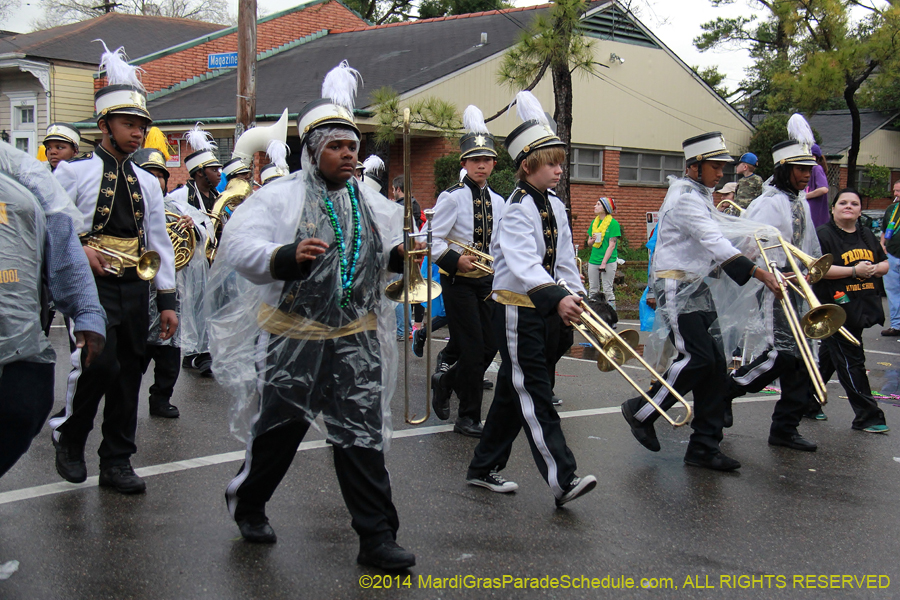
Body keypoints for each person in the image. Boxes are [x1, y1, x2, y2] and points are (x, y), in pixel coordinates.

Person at [209, 61, 415, 570]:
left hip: (356, 338)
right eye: (337, 146)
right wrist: (283, 256)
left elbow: (386, 249)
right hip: (293, 338)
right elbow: (238, 246)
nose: (349, 154)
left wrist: (401, 256)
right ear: (312, 151)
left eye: (353, 146)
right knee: (280, 433)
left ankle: (376, 537)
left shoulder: (369, 198)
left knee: (361, 438)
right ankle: (249, 499)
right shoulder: (279, 196)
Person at [48, 42, 178, 494]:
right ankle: (70, 435)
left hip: (133, 284)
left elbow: (158, 240)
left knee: (129, 372)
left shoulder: (148, 182)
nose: (137, 132)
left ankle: (117, 460)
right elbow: (54, 224)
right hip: (87, 284)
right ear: (104, 126)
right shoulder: (72, 172)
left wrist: (167, 300)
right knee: (98, 364)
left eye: (142, 125)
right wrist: (80, 246)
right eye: (128, 124)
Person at [620, 131, 781, 472]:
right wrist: (758, 272)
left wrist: (752, 252)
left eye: (724, 166)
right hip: (677, 285)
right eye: (715, 166)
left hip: (695, 285)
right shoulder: (686, 197)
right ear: (694, 167)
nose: (721, 172)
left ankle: (705, 446)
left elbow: (714, 243)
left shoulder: (699, 193)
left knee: (715, 365)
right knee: (697, 356)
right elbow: (713, 241)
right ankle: (642, 411)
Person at [465, 91, 596, 507]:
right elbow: (523, 263)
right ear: (527, 165)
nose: (560, 169)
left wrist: (576, 294)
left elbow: (564, 259)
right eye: (552, 163)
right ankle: (563, 479)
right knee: (536, 393)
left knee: (511, 392)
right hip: (517, 312)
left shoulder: (554, 204)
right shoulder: (518, 207)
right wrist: (556, 297)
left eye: (561, 162)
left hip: (543, 308)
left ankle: (482, 467)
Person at [0, 141, 106, 478]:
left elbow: (64, 246)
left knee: (23, 411)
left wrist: (87, 312)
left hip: (19, 343)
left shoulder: (23, 173)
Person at [722, 115, 823, 453]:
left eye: (809, 169)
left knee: (801, 358)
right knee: (783, 354)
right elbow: (751, 246)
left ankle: (785, 428)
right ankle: (730, 387)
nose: (806, 175)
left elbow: (807, 246)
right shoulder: (768, 202)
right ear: (783, 169)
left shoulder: (800, 202)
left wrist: (807, 273)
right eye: (800, 169)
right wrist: (778, 271)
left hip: (798, 288)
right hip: (776, 287)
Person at [429, 105, 505, 436]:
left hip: (487, 284)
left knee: (489, 347)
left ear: (494, 163)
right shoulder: (452, 198)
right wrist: (454, 259)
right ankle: (468, 417)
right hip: (458, 282)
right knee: (473, 350)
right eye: (475, 160)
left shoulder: (501, 201)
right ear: (464, 163)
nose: (481, 165)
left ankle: (445, 380)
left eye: (486, 160)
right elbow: (431, 242)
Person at [133, 147, 211, 417]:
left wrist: (192, 227)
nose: (156, 181)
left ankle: (161, 398)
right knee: (136, 355)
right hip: (138, 295)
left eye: (160, 176)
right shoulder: (128, 206)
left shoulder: (177, 208)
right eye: (149, 175)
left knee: (169, 355)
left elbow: (204, 236)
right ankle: (127, 400)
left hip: (170, 294)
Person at [809, 189, 889, 433]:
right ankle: (868, 415)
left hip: (860, 305)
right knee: (852, 359)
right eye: (842, 202)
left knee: (832, 357)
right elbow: (816, 270)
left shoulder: (865, 234)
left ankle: (805, 401)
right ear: (833, 208)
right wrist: (854, 271)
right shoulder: (823, 234)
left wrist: (872, 269)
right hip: (834, 308)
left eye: (854, 203)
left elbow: (885, 264)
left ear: (859, 211)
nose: (848, 206)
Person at [167, 123, 222, 212]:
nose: (219, 174)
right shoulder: (177, 196)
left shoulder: (218, 195)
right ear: (200, 172)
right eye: (214, 170)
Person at [586, 197, 620, 310]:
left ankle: (612, 316)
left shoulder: (613, 224)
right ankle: (593, 316)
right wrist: (591, 241)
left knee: (607, 290)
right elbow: (589, 242)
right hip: (594, 259)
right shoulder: (594, 223)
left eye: (598, 204)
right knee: (593, 289)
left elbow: (612, 245)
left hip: (608, 261)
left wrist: (604, 263)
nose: (595, 206)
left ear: (605, 208)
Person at [879, 180, 900, 336]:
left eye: (898, 191)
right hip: (892, 255)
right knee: (892, 293)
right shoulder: (892, 209)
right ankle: (896, 325)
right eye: (894, 190)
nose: (895, 194)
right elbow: (884, 230)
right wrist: (882, 245)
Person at [806, 144, 830, 228]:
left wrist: (805, 196)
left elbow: (824, 189)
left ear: (814, 157)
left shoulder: (816, 168)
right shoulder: (807, 171)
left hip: (817, 221)